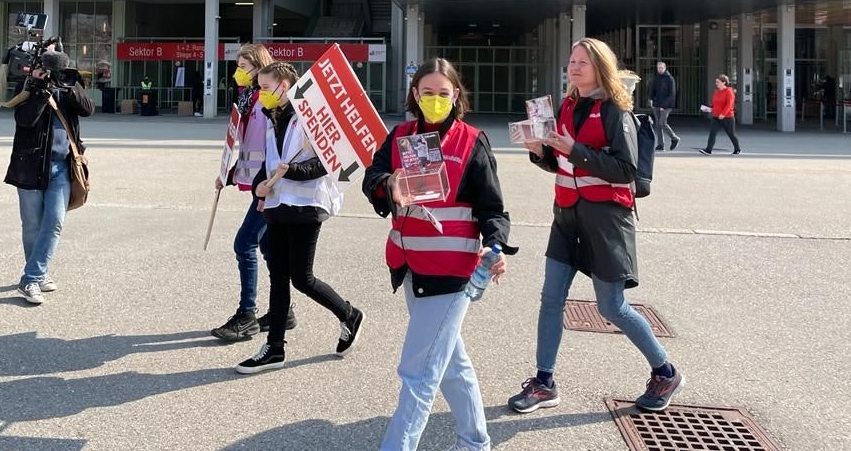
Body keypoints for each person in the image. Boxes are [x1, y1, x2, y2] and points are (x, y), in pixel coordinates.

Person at [508, 37, 684, 415]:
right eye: (571, 61)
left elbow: (625, 170)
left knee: (612, 307)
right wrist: (541, 152)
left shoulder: (615, 112)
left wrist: (574, 150)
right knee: (550, 299)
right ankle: (544, 383)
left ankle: (665, 372)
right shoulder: (568, 105)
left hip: (606, 222)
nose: (574, 67)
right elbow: (562, 165)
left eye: (582, 62)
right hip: (566, 217)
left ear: (599, 67)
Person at [363, 57, 512, 451]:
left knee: (418, 372)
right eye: (427, 93)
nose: (434, 100)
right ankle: (475, 441)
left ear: (456, 96)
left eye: (442, 94)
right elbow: (371, 179)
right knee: (451, 364)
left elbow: (493, 208)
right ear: (415, 94)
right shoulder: (399, 137)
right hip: (410, 265)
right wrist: (389, 183)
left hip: (451, 273)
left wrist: (494, 244)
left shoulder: (470, 141)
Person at [235, 61, 363, 374]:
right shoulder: (270, 118)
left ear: (285, 86)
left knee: (301, 279)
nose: (260, 94)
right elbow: (269, 163)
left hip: (306, 207)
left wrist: (291, 172)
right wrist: (259, 188)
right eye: (259, 88)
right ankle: (274, 348)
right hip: (278, 204)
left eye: (265, 88)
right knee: (277, 276)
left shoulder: (310, 119)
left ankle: (349, 314)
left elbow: (325, 164)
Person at [211, 43, 297, 342]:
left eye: (244, 66)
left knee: (244, 243)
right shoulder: (248, 100)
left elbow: (268, 150)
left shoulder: (265, 105)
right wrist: (231, 174)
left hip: (269, 186)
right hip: (258, 183)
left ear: (260, 68)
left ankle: (247, 314)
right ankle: (283, 310)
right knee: (269, 248)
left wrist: (260, 183)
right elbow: (248, 147)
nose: (239, 72)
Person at [4, 50, 94, 304]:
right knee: (32, 224)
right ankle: (37, 275)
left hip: (62, 167)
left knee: (54, 221)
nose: (55, 76)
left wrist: (69, 86)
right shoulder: (29, 86)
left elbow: (88, 109)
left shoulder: (69, 84)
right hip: (29, 165)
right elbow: (24, 120)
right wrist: (39, 92)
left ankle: (31, 277)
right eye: (51, 71)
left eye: (59, 71)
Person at [698, 74, 741, 156]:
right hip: (716, 116)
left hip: (727, 117)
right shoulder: (716, 92)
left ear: (724, 82)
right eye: (716, 82)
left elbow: (729, 104)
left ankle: (737, 149)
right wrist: (708, 108)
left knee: (731, 134)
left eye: (718, 82)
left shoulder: (729, 91)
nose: (716, 83)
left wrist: (723, 114)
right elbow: (715, 104)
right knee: (712, 133)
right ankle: (708, 150)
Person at [649, 61, 680, 151]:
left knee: (662, 122)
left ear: (665, 68)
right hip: (656, 104)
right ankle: (660, 145)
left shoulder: (670, 79)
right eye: (658, 68)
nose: (660, 69)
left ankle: (674, 138)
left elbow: (672, 94)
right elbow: (652, 89)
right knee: (658, 125)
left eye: (661, 68)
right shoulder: (656, 78)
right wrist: (651, 99)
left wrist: (664, 106)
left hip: (667, 105)